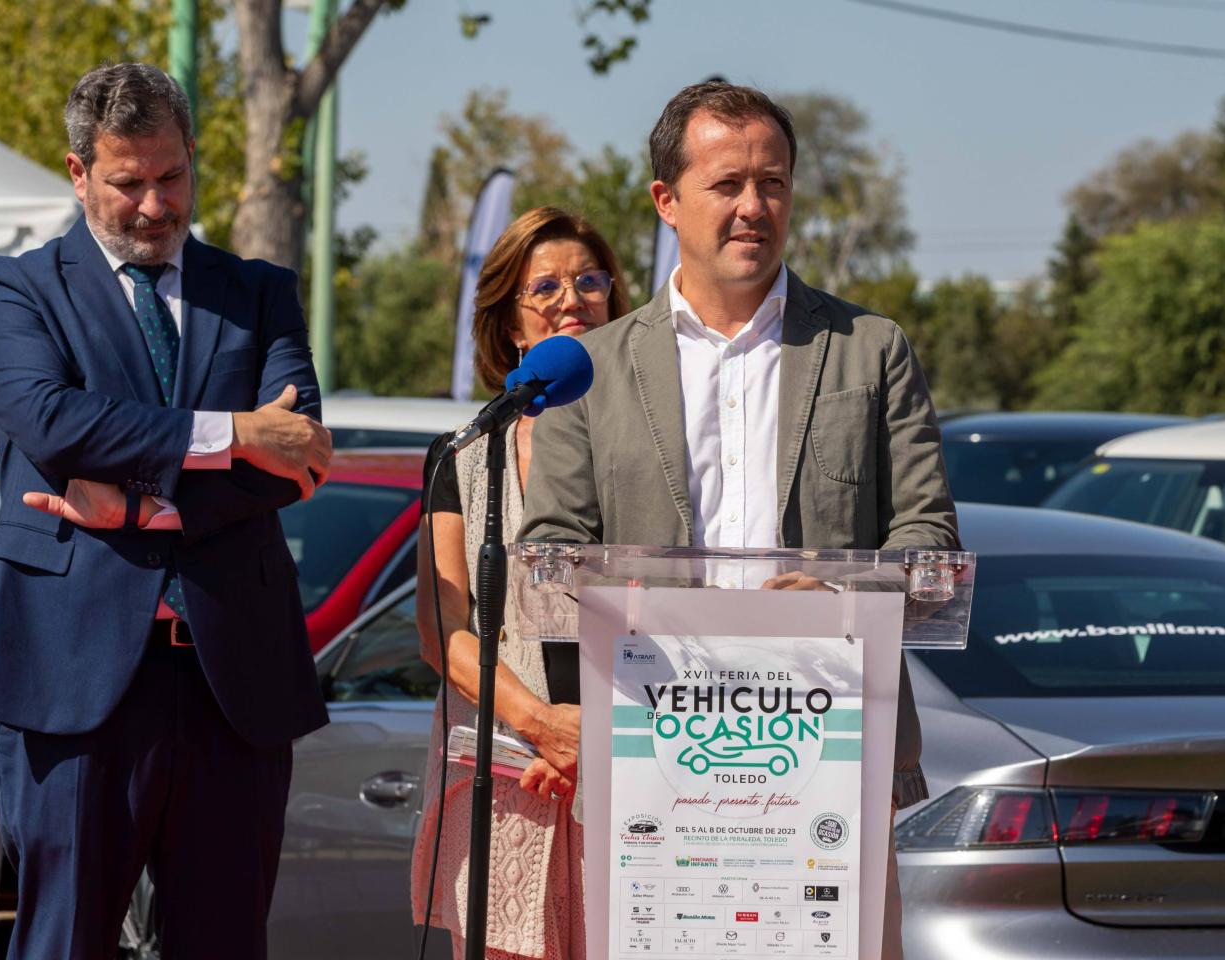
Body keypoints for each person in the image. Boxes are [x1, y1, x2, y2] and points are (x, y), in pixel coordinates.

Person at [519, 81, 960, 959]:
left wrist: (836, 595)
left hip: (828, 750)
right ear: (666, 201)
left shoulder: (870, 350)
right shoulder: (592, 368)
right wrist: (648, 605)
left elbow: (932, 550)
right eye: (727, 185)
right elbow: (545, 558)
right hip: (656, 750)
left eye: (774, 183)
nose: (754, 207)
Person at [0, 63, 333, 958]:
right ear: (78, 172)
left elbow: (300, 458)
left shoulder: (259, 291)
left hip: (233, 683)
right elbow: (55, 422)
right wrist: (232, 431)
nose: (154, 205)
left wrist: (143, 512)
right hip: (74, 678)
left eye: (171, 176)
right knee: (66, 941)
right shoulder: (14, 288)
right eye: (128, 182)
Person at [410, 207, 629, 960]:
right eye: (547, 287)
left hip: (635, 768)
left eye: (589, 281)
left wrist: (597, 736)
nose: (573, 299)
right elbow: (443, 628)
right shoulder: (465, 454)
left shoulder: (658, 446)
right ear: (509, 324)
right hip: (513, 775)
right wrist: (543, 724)